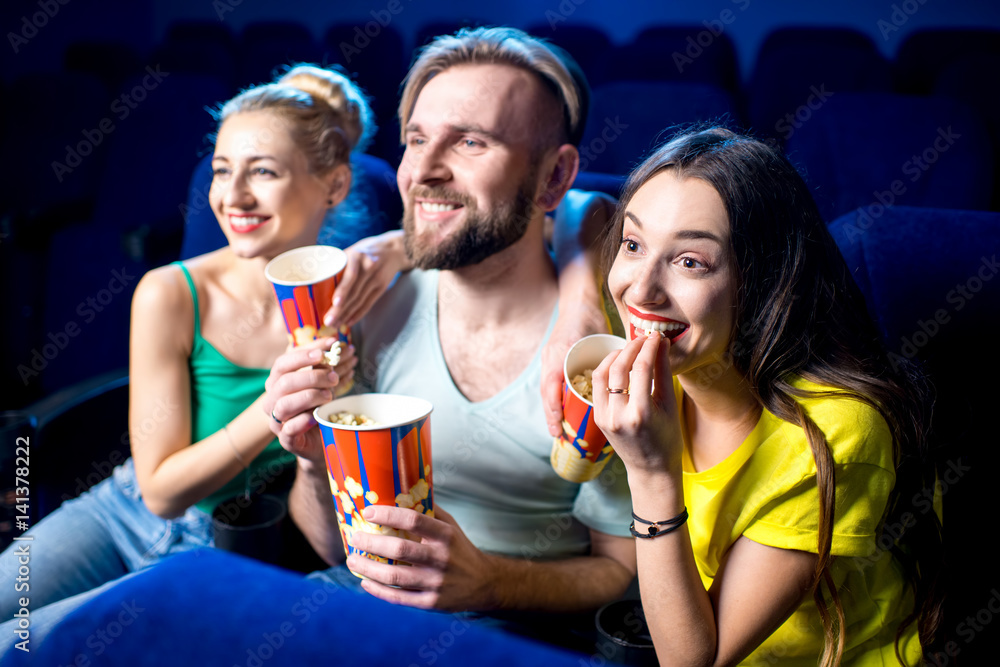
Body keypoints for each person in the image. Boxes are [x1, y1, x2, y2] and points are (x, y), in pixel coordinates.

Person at [263, 26, 636, 635]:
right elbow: (340, 554)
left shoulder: (597, 357)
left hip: (515, 630)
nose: (425, 171)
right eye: (416, 139)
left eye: (470, 142)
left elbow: (620, 571)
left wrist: (490, 583)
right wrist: (310, 461)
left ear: (553, 177)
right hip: (353, 614)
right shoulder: (367, 308)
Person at [0, 64, 393, 622]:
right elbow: (161, 492)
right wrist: (271, 407)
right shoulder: (169, 292)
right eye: (221, 171)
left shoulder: (364, 308)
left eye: (262, 173)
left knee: (35, 645)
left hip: (226, 547)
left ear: (333, 184)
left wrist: (399, 248)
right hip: (122, 512)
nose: (233, 197)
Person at [589, 126, 943, 665]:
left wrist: (650, 472)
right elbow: (563, 209)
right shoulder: (673, 347)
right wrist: (574, 298)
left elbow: (695, 661)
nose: (639, 291)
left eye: (690, 262)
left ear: (766, 282)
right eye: (633, 244)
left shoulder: (838, 432)